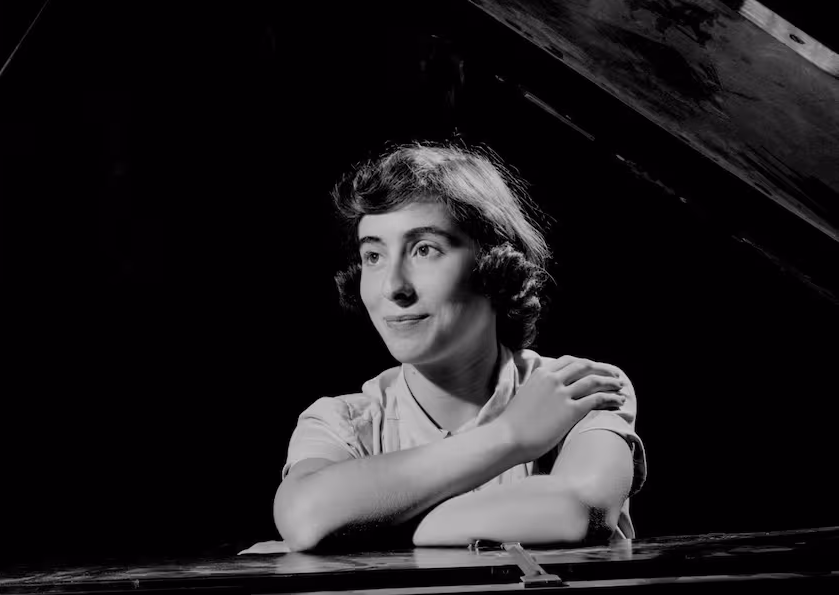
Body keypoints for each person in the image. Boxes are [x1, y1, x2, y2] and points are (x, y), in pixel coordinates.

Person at [272, 142, 646, 552]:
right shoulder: (340, 420)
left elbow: (573, 512)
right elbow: (307, 515)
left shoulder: (578, 388)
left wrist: (364, 526)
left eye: (425, 249)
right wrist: (510, 435)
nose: (393, 287)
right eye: (374, 255)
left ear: (498, 265)